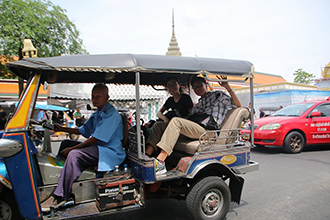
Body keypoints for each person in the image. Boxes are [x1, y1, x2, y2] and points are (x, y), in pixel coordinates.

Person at [41, 83, 126, 212]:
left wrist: (75, 148)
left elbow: (95, 139)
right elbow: (83, 130)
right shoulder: (98, 113)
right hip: (98, 147)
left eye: (98, 96)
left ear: (107, 97)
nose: (95, 99)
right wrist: (62, 128)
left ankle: (62, 194)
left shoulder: (111, 114)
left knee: (75, 154)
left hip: (109, 151)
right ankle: (61, 178)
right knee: (65, 143)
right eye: (93, 96)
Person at [146, 75, 241, 175]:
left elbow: (238, 106)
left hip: (209, 131)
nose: (197, 89)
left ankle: (160, 163)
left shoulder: (218, 95)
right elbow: (191, 117)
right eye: (195, 87)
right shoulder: (199, 103)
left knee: (176, 121)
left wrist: (228, 87)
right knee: (159, 126)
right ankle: (147, 156)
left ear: (206, 85)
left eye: (199, 85)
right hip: (197, 128)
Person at [145, 77, 193, 156]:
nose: (172, 87)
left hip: (183, 127)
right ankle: (147, 154)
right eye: (169, 85)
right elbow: (159, 113)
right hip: (173, 125)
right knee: (157, 125)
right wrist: (165, 119)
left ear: (179, 85)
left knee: (158, 125)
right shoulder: (170, 100)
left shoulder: (185, 98)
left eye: (174, 84)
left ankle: (155, 156)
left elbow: (192, 114)